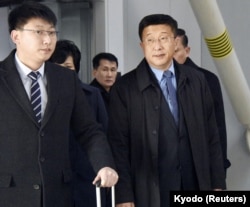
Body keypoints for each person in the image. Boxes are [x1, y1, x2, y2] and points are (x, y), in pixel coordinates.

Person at [0, 2, 118, 207]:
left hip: (58, 193)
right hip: (10, 193)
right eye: (38, 32)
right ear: (15, 36)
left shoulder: (66, 79)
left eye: (52, 33)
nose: (47, 40)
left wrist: (104, 164)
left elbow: (89, 130)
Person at [107, 14, 226, 207]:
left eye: (164, 38)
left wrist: (217, 183)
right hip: (149, 188)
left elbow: (213, 135)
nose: (157, 46)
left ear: (175, 41)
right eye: (150, 40)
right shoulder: (125, 88)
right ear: (142, 45)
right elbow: (117, 145)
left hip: (194, 182)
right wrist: (123, 194)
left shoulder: (197, 80)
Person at [49, 39, 110, 207]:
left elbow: (103, 136)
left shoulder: (92, 95)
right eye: (57, 67)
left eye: (68, 67)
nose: (63, 73)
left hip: (88, 181)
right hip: (55, 183)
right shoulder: (42, 98)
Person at [174, 28, 231, 171]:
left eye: (176, 51)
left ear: (187, 51)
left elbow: (218, 128)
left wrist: (219, 170)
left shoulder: (207, 80)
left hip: (199, 164)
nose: (170, 57)